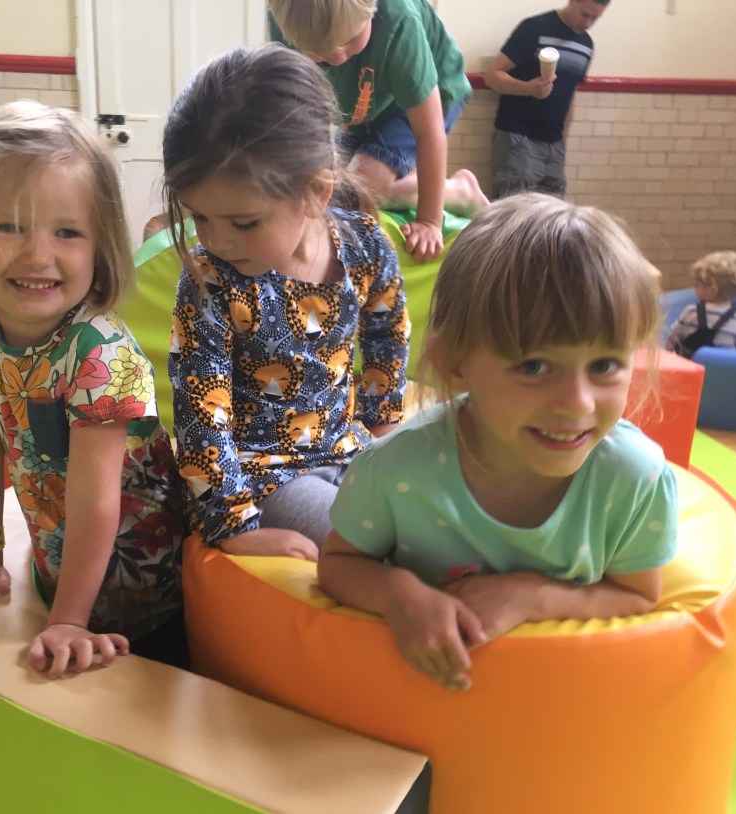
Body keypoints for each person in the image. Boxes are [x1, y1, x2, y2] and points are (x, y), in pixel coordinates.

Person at [318, 193, 679, 691]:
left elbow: (638, 596)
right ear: (457, 363)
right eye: (533, 366)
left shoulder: (634, 479)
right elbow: (339, 565)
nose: (577, 404)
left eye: (603, 366)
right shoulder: (395, 471)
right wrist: (402, 596)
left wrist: (534, 596)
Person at [0, 101, 186, 677]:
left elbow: (97, 499)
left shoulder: (99, 352)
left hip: (145, 588)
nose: (37, 255)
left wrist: (68, 619)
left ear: (100, 245)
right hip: (57, 566)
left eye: (67, 232)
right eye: (8, 226)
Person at [163, 44, 409, 560]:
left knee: (438, 522)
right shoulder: (210, 282)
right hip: (263, 477)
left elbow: (388, 332)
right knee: (376, 549)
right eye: (199, 217)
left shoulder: (364, 244)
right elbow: (199, 414)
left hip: (351, 450)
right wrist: (235, 526)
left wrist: (386, 426)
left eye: (243, 222)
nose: (216, 240)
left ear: (316, 194)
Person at [268, 0, 488, 261]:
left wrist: (429, 221)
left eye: (352, 39)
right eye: (320, 51)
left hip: (433, 97)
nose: (338, 57)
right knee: (334, 187)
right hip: (371, 109)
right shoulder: (289, 19)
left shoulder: (399, 22)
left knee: (364, 181)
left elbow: (429, 132)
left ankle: (461, 192)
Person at [484, 0, 610, 199]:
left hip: (554, 144)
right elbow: (492, 76)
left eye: (595, 18)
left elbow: (569, 97)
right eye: (584, 14)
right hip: (518, 138)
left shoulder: (586, 46)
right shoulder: (535, 28)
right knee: (513, 219)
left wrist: (562, 143)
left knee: (553, 222)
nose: (588, 23)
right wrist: (527, 89)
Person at [666, 251, 736, 356]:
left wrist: (668, 354)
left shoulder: (692, 312)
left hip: (692, 368)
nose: (694, 288)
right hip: (723, 370)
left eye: (697, 285)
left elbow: (673, 338)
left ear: (712, 290)